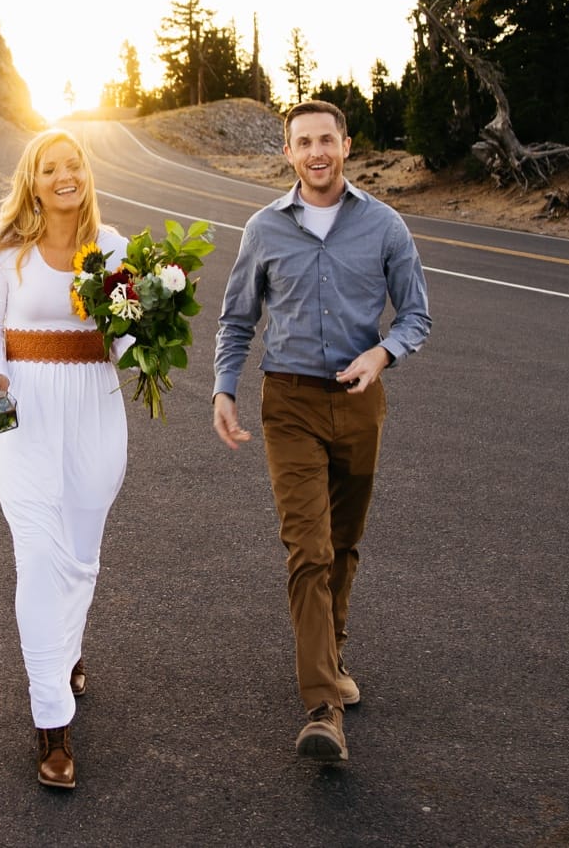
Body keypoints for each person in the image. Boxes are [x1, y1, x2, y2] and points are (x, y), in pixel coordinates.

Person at [211, 100, 431, 764]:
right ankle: (323, 708)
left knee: (343, 542)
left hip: (360, 401)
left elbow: (417, 314)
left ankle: (328, 654)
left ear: (346, 145)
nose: (316, 151)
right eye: (302, 141)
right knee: (307, 547)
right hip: (291, 403)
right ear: (288, 152)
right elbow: (236, 318)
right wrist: (224, 387)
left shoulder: (385, 225)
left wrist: (382, 352)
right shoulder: (264, 229)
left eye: (326, 140)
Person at [0, 128, 130, 790]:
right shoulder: (10, 253)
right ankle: (52, 723)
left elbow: (125, 332)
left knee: (79, 557)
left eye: (74, 165)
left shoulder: (115, 247)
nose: (65, 175)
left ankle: (69, 648)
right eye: (50, 168)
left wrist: (144, 329)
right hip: (24, 410)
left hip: (95, 405)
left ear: (86, 175)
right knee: (39, 553)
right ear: (33, 182)